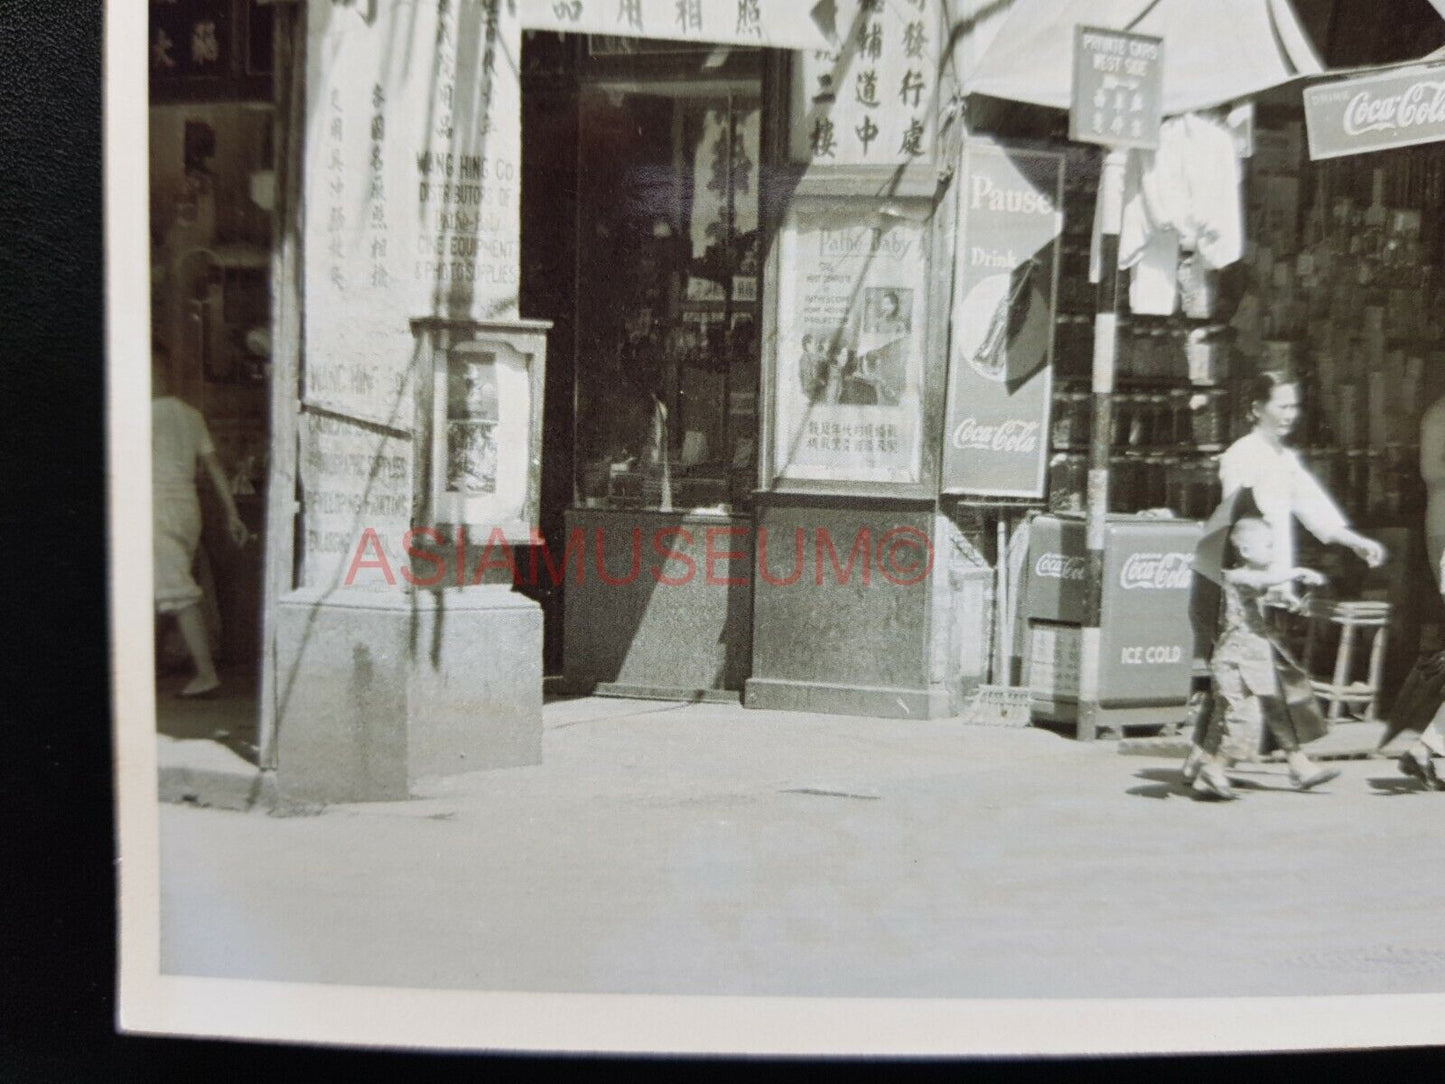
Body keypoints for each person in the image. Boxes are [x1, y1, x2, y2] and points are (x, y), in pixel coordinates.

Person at [1183, 369, 1386, 783]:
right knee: (1266, 672)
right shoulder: (1242, 454)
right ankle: (1282, 763)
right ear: (1257, 408)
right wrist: (1263, 578)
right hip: (1245, 584)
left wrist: (1352, 541)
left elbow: (1314, 509)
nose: (1291, 414)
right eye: (1283, 405)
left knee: (1259, 673)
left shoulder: (1284, 459)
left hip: (1269, 581)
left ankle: (1206, 758)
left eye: (1295, 406)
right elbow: (1235, 519)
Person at [1191, 517, 1338, 799]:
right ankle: (1215, 769)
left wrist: (1287, 600)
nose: (1272, 552)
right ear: (1245, 551)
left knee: (1234, 715)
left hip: (1253, 659)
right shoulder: (1236, 576)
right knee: (1242, 718)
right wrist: (1295, 572)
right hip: (1238, 662)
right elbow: (1260, 580)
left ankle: (1207, 772)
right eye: (1268, 546)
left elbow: (1260, 592)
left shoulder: (1249, 581)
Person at [152, 345, 249, 696]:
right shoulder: (191, 415)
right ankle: (151, 663)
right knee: (161, 584)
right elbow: (213, 467)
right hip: (187, 508)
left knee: (175, 589)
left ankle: (206, 673)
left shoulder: (141, 415)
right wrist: (231, 512)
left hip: (156, 506)